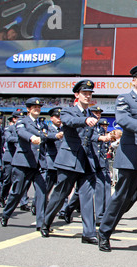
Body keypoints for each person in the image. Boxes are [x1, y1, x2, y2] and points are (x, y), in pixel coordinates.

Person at [97, 65, 137, 261]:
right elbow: (123, 119)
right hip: (130, 159)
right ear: (133, 80)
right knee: (122, 199)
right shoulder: (124, 98)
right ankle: (104, 233)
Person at [41, 80, 99, 244]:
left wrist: (104, 137)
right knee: (60, 194)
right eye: (84, 93)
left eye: (90, 93)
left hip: (86, 162)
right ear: (77, 95)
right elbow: (69, 122)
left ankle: (89, 233)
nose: (88, 96)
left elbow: (90, 137)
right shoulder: (67, 111)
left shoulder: (91, 115)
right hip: (69, 161)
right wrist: (85, 121)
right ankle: (46, 222)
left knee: (87, 198)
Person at [0, 98, 48, 229]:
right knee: (17, 192)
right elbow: (21, 132)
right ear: (28, 109)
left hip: (38, 164)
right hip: (23, 163)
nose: (37, 109)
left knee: (42, 193)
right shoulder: (22, 121)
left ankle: (41, 224)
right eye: (34, 107)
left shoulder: (41, 124)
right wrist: (32, 138)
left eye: (39, 108)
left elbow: (45, 137)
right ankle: (6, 214)